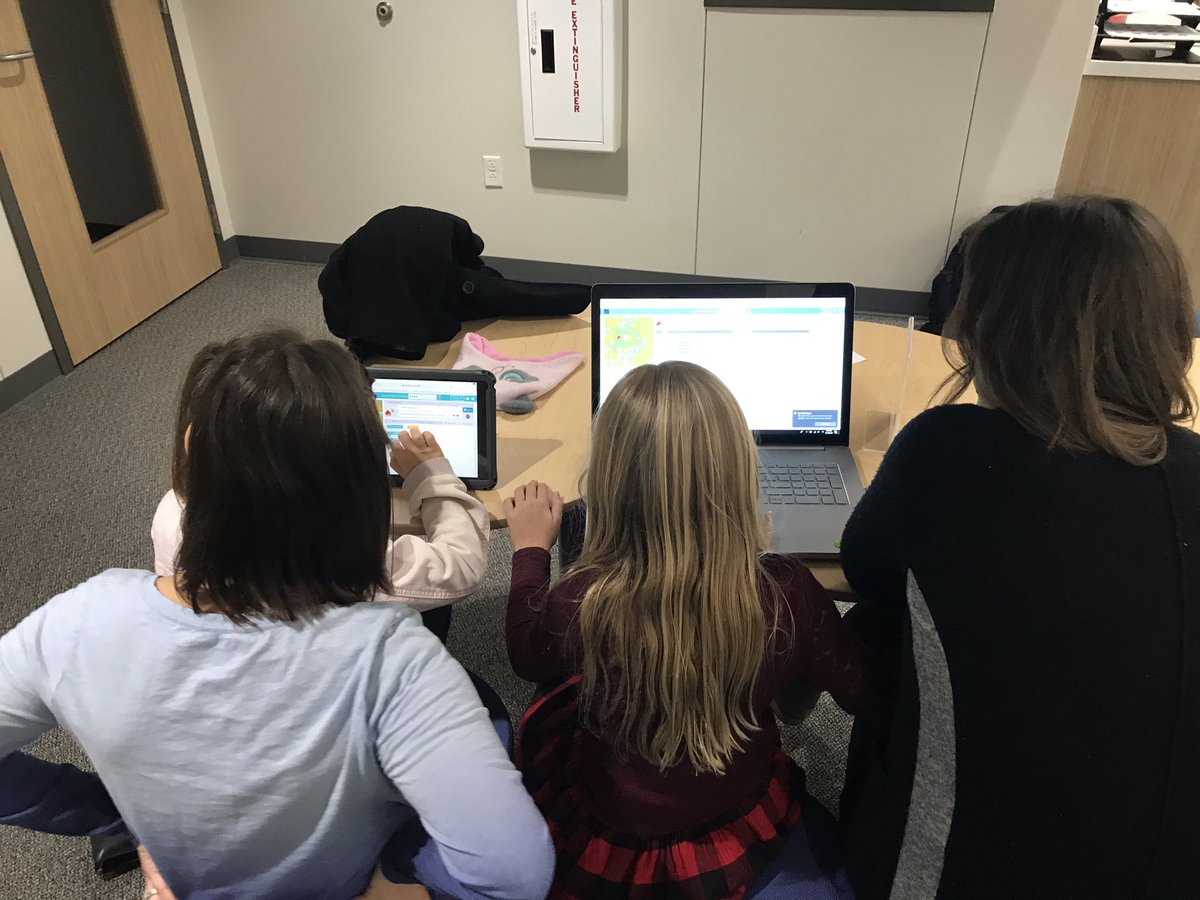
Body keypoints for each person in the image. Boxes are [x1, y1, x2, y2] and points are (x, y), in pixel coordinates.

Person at [0, 331, 553, 899]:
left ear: (192, 449)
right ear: (361, 477)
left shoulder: (79, 618)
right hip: (348, 879)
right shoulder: (394, 658)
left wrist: (124, 818)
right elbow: (515, 874)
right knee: (489, 713)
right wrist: (397, 889)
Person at [839, 197, 1200, 898]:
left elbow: (865, 569)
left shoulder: (948, 451)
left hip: (949, 874)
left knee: (884, 617)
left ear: (996, 329)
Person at [504, 361, 867, 899]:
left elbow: (528, 655)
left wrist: (530, 551)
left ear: (606, 483)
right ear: (743, 474)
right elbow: (862, 691)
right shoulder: (787, 591)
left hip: (608, 821)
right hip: (734, 811)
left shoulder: (582, 601)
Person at [149, 342, 489, 643]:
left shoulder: (171, 512)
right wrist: (430, 475)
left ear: (193, 442)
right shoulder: (346, 559)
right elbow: (460, 565)